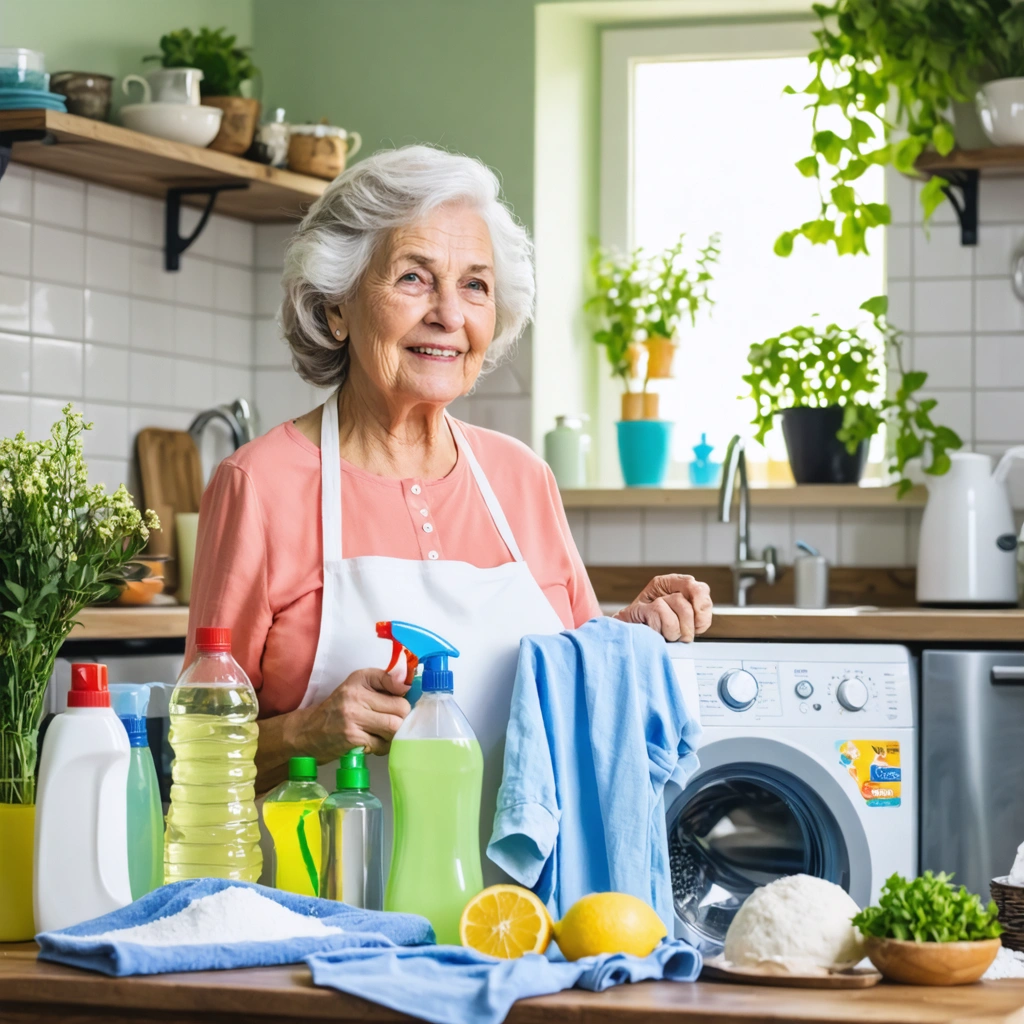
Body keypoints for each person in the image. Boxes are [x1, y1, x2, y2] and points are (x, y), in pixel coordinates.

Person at [187, 145, 712, 812]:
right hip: (329, 898)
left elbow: (578, 698)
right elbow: (193, 761)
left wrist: (629, 634)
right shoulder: (258, 484)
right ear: (336, 309)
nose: (449, 315)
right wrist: (305, 732)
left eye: (475, 285)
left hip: (511, 912)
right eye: (413, 277)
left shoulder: (522, 478)